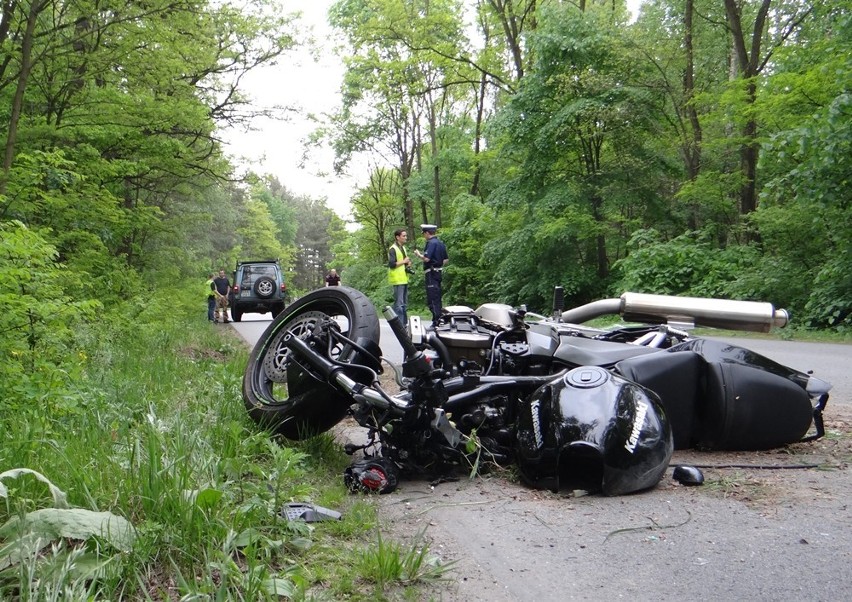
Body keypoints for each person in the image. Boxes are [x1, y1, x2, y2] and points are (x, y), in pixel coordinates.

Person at [414, 224, 448, 325]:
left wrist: (418, 255)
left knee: (432, 297)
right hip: (439, 272)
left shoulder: (431, 243)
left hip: (431, 273)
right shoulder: (441, 243)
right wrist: (439, 264)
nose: (424, 236)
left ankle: (436, 320)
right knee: (437, 296)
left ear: (427, 233)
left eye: (424, 233)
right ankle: (440, 318)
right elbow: (446, 260)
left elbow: (427, 258)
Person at [387, 228, 413, 324]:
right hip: (397, 280)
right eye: (404, 236)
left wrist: (408, 264)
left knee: (404, 304)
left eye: (406, 235)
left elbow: (403, 262)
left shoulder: (403, 248)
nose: (406, 237)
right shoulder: (393, 249)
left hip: (404, 279)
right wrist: (404, 261)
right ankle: (399, 324)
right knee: (399, 304)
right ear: (397, 237)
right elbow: (392, 264)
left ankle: (404, 323)